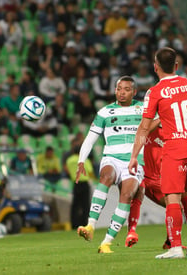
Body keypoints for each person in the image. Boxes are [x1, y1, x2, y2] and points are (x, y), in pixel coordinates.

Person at [129, 47, 187, 259]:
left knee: (173, 198)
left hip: (176, 148)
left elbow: (143, 127)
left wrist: (133, 156)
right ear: (177, 66)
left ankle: (176, 247)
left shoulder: (156, 91)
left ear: (155, 67)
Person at [76, 76, 145, 254]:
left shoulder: (144, 109)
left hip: (134, 160)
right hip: (112, 157)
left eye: (126, 89)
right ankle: (90, 226)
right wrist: (81, 160)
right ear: (115, 90)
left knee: (127, 195)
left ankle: (106, 242)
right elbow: (90, 139)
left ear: (134, 92)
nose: (122, 92)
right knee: (106, 176)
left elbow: (159, 124)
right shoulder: (105, 112)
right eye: (119, 88)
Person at [66, 141, 94, 229]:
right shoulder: (85, 159)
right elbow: (90, 172)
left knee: (75, 205)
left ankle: (74, 224)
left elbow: (67, 170)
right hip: (84, 183)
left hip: (75, 183)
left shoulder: (69, 160)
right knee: (85, 205)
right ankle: (84, 223)